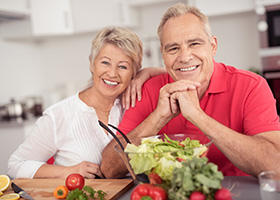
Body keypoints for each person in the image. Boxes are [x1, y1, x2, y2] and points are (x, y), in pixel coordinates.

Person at [100, 3, 280, 178]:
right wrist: (159, 116)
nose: (185, 57)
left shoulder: (251, 86)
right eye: (173, 48)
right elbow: (109, 168)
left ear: (213, 46)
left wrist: (197, 116)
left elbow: (276, 167)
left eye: (194, 44)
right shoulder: (147, 90)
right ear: (163, 54)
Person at [7, 26, 166, 179]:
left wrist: (149, 71)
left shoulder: (135, 103)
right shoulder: (58, 115)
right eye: (105, 62)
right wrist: (67, 172)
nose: (112, 73)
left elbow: (180, 72)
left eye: (123, 66)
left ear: (134, 72)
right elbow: (16, 165)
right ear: (92, 64)